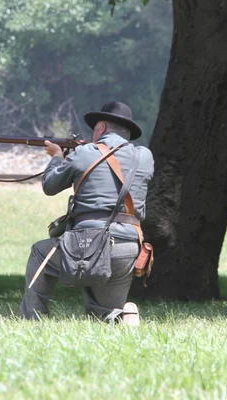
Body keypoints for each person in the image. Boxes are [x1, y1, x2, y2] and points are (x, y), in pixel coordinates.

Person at [20, 101, 154, 324]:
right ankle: (125, 316)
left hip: (87, 245)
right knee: (105, 313)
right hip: (130, 246)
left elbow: (50, 186)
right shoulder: (145, 157)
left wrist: (57, 156)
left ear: (100, 128)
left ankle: (32, 320)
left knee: (39, 252)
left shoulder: (83, 153)